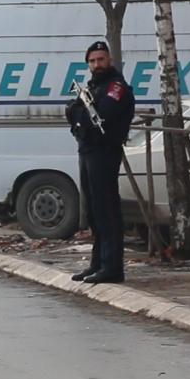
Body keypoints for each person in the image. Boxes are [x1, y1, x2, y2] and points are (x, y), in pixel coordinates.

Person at [65, 41, 135, 284]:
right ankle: (98, 264)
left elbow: (101, 115)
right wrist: (79, 114)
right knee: (94, 212)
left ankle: (112, 267)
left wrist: (80, 115)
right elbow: (72, 112)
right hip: (87, 150)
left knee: (106, 210)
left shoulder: (116, 87)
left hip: (105, 151)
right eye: (93, 61)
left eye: (101, 59)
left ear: (109, 60)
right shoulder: (93, 87)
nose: (97, 65)